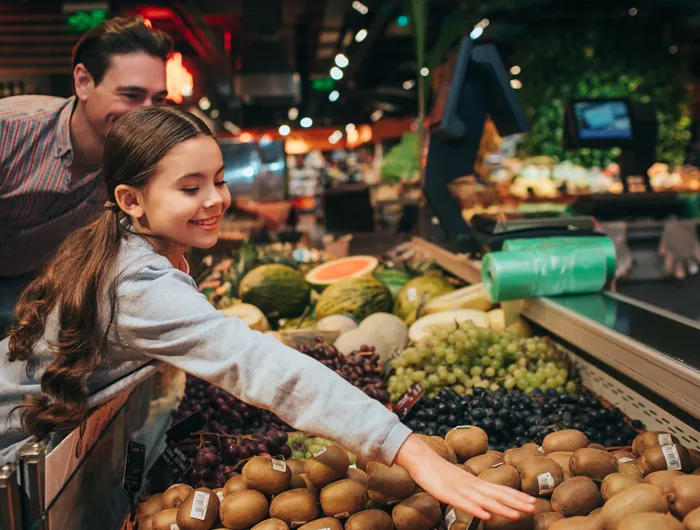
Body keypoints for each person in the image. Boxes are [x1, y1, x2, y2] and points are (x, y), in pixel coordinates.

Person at [0, 106, 535, 522]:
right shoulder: (137, 282)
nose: (215, 200)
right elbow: (262, 367)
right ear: (131, 199)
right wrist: (410, 451)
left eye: (219, 180)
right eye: (190, 188)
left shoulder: (124, 243)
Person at [0, 16, 172, 335]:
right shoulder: (10, 130)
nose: (147, 115)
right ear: (83, 82)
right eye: (131, 96)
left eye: (157, 100)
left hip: (28, 289)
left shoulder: (141, 164)